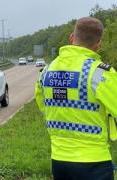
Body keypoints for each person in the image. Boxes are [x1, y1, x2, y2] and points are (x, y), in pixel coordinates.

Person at [35, 17, 117, 180]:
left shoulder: (47, 71)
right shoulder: (101, 73)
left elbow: (43, 105)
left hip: (59, 160)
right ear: (98, 44)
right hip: (95, 162)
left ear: (71, 37)